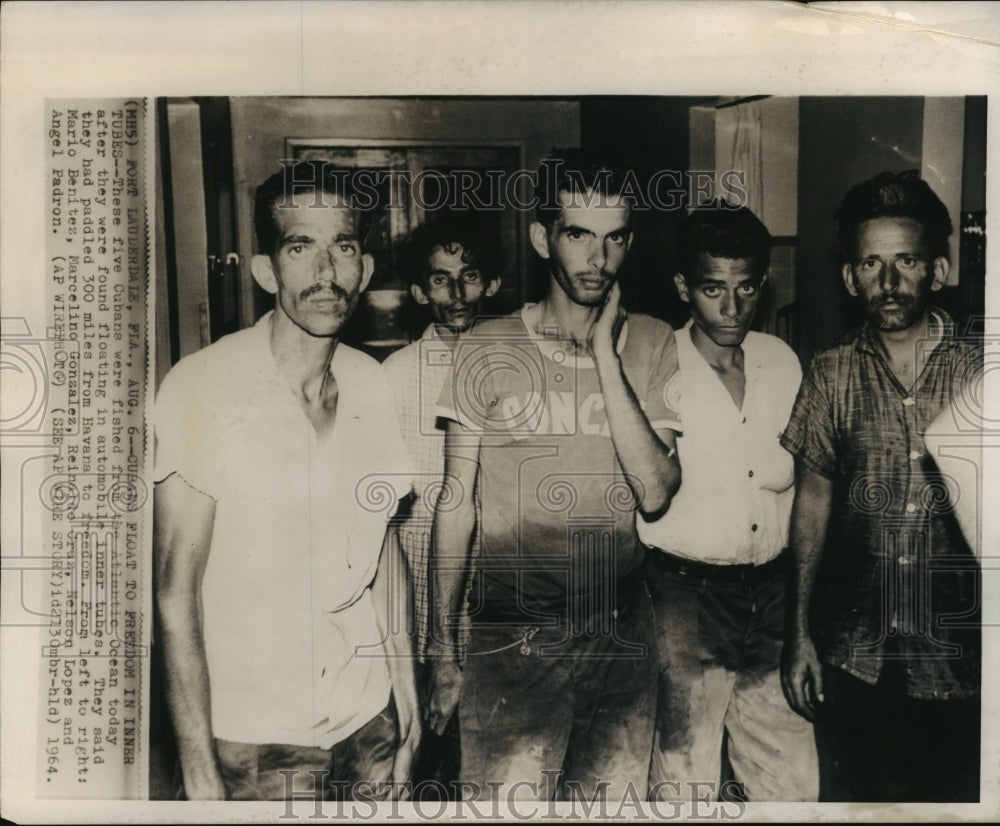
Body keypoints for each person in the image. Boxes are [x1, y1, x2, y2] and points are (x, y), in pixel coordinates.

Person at [153, 160, 419, 801]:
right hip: (257, 738)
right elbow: (174, 592)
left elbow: (384, 554)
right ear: (267, 270)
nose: (327, 274)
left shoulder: (370, 384)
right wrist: (200, 780)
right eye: (301, 247)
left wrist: (408, 709)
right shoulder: (204, 386)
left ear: (367, 268)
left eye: (344, 247)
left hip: (366, 717)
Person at [427, 149, 682, 801]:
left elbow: (655, 492)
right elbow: (456, 505)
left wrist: (604, 354)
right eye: (578, 234)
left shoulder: (652, 340)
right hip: (513, 633)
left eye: (615, 237)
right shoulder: (485, 345)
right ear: (544, 238)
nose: (598, 259)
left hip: (619, 624)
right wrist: (441, 648)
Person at [780, 171, 981, 802]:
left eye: (907, 261)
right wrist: (799, 634)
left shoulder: (984, 371)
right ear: (850, 278)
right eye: (871, 263)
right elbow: (811, 505)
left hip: (960, 659)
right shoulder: (830, 374)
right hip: (853, 654)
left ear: (939, 270)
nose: (888, 282)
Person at [639, 203, 817, 802]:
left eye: (746, 288)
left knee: (790, 780)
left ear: (762, 284)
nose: (732, 307)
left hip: (773, 595)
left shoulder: (782, 361)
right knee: (684, 782)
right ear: (683, 287)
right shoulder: (657, 362)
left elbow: (800, 486)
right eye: (714, 289)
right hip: (685, 599)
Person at [382, 210, 501, 790]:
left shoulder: (517, 368)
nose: (457, 293)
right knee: (431, 767)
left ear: (494, 284)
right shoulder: (393, 377)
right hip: (425, 610)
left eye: (471, 275)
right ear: (417, 291)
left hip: (502, 607)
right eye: (440, 279)